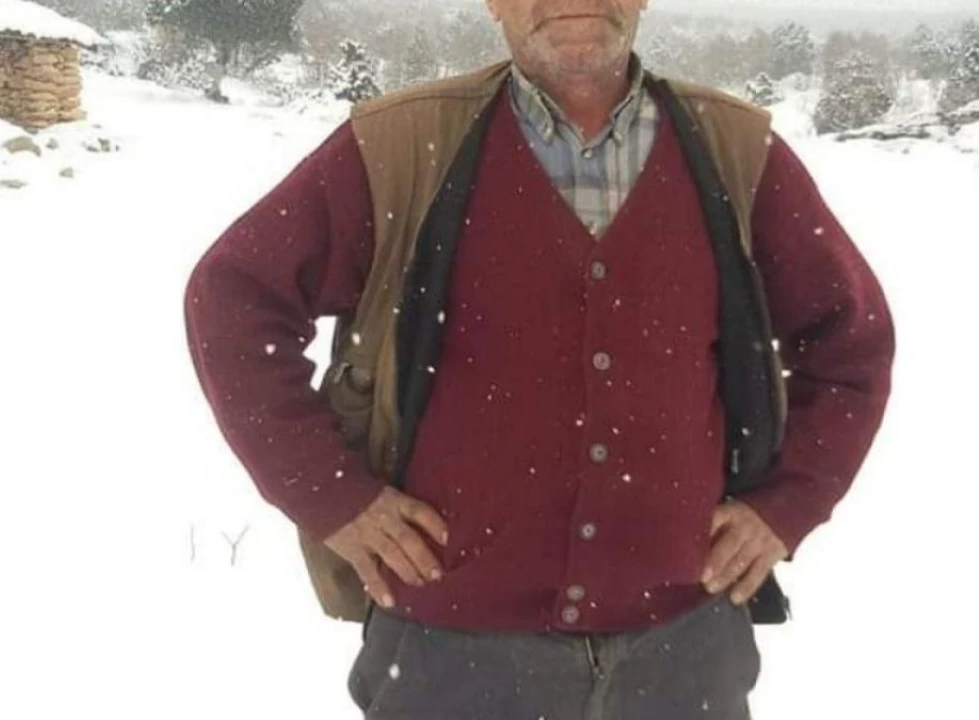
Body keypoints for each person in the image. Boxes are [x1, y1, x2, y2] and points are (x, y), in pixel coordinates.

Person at [184, 1, 895, 717]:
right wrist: (332, 496)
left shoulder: (735, 151)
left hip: (684, 655)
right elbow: (233, 299)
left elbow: (850, 343)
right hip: (447, 657)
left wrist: (788, 504)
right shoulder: (400, 145)